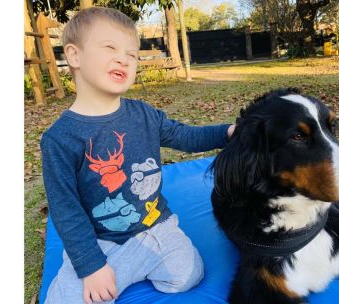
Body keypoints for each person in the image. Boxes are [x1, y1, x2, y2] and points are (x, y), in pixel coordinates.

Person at [41, 7, 234, 304]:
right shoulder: (59, 139)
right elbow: (65, 210)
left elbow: (184, 136)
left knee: (188, 276)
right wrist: (91, 266)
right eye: (110, 48)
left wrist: (227, 133)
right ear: (74, 56)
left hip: (155, 226)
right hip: (100, 243)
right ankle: (105, 271)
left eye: (132, 54)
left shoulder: (143, 115)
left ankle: (136, 266)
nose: (124, 59)